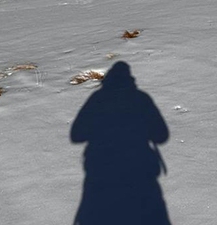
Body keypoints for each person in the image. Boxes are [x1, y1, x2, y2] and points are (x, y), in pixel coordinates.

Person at [71, 61, 171, 225]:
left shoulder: (97, 98)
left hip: (102, 169)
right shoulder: (142, 98)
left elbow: (76, 135)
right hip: (140, 169)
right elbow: (162, 135)